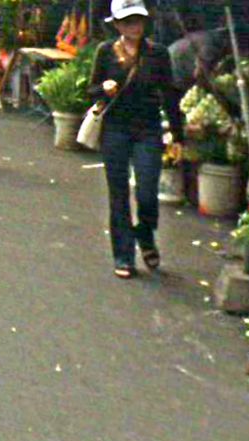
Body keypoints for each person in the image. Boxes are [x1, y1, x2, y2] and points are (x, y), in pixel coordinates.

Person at [88, 0, 184, 279]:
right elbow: (91, 90)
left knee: (147, 191)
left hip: (148, 130)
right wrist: (103, 88)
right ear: (117, 25)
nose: (134, 26)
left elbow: (169, 94)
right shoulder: (106, 52)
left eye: (138, 20)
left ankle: (145, 233)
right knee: (118, 194)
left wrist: (177, 135)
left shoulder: (158, 54)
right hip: (115, 129)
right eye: (128, 21)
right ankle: (124, 255)